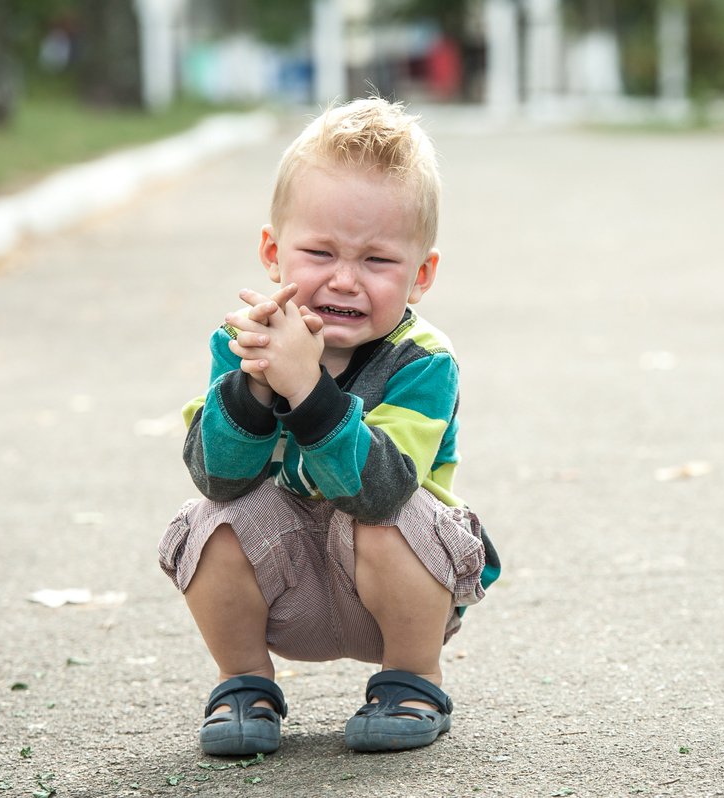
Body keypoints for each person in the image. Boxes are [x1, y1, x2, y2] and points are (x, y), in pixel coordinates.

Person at [158, 97, 499, 756]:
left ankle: (413, 680)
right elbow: (218, 477)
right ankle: (244, 684)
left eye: (377, 261)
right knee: (208, 517)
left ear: (421, 275)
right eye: (320, 251)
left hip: (397, 595)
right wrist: (258, 383)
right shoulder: (241, 347)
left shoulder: (423, 361)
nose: (345, 279)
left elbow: (378, 491)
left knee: (391, 515)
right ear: (272, 252)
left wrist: (308, 389)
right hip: (288, 585)